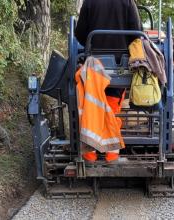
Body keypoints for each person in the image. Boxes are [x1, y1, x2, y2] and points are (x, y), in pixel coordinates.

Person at [75, 0, 142, 162]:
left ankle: (89, 154)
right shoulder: (127, 2)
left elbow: (79, 33)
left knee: (92, 107)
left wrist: (92, 46)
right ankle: (111, 155)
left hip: (95, 64)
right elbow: (137, 33)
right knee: (111, 107)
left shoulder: (89, 2)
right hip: (120, 66)